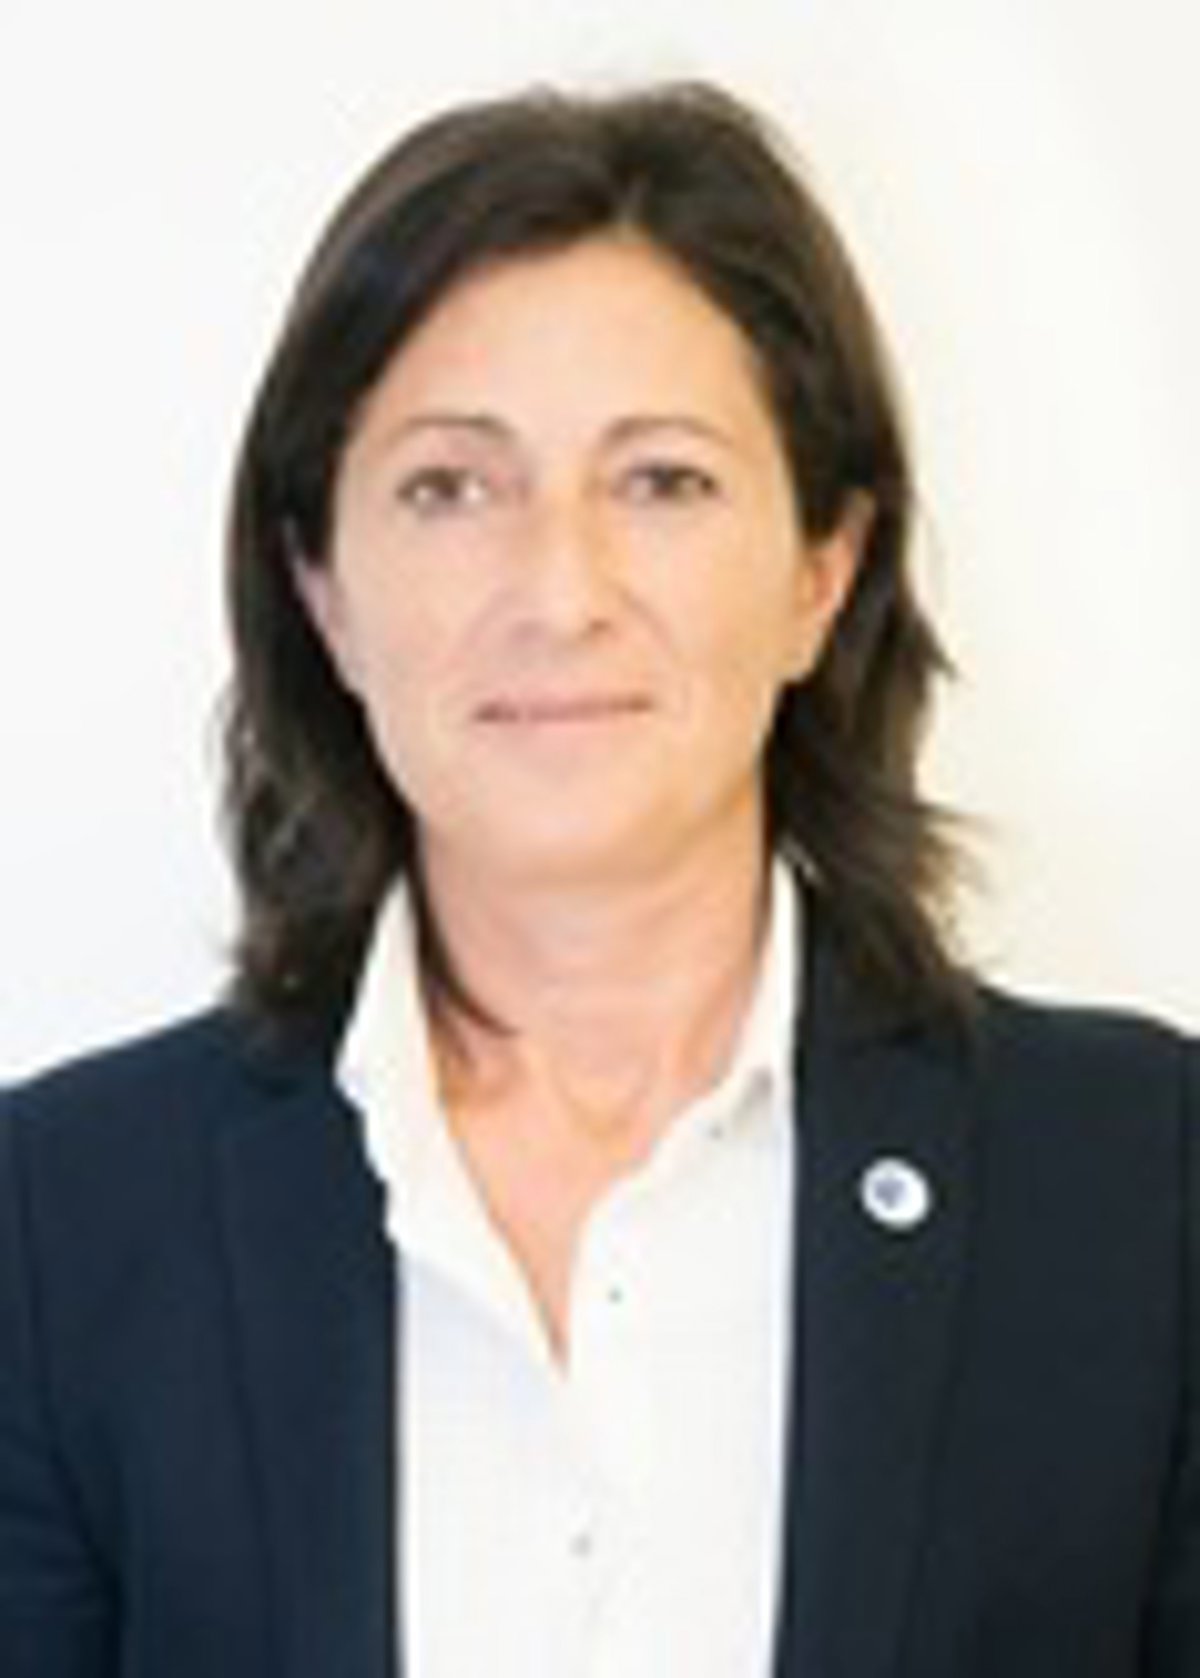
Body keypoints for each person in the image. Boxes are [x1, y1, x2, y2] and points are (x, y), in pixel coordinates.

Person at [0, 80, 1195, 1678]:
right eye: (450, 486)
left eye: (662, 481)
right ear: (322, 586)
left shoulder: (1140, 1187)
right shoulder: (62, 1225)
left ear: (824, 568)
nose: (560, 592)